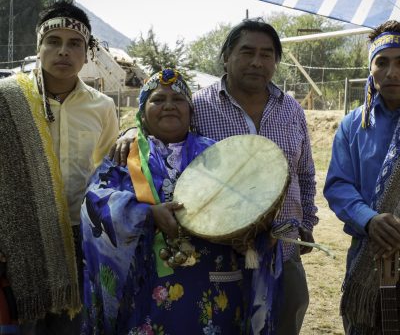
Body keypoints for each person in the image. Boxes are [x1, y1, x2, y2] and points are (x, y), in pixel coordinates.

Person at [113, 18, 318, 335]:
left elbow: (305, 174)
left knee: (283, 323)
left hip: (282, 250)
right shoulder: (198, 106)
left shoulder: (292, 109)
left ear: (276, 61)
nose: (256, 61)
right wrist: (132, 131)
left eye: (266, 54)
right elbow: (164, 126)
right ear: (226, 56)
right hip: (220, 259)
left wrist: (308, 223)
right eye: (246, 51)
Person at [81, 69, 281, 335]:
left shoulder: (219, 155)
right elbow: (94, 204)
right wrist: (146, 214)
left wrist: (264, 232)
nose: (168, 106)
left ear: (190, 109)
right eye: (157, 100)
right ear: (142, 111)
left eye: (178, 99)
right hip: (145, 297)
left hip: (215, 289)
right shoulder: (124, 156)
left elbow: (250, 205)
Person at [0, 1, 119, 334]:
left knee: (69, 327)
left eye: (74, 43)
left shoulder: (102, 106)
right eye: (53, 41)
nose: (63, 51)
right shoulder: (7, 98)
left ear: (87, 53)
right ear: (38, 48)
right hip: (17, 240)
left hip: (79, 241)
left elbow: (106, 171)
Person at [324, 20, 400, 334]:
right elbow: (339, 185)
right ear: (370, 68)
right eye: (382, 62)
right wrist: (369, 219)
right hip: (369, 256)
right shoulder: (353, 125)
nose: (392, 72)